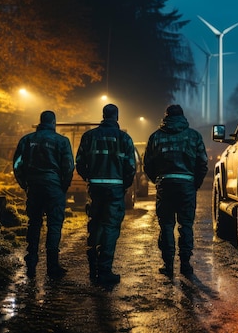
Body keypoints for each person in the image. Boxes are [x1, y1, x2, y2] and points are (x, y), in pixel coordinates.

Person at [144, 104, 208, 277]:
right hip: (186, 185)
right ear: (182, 116)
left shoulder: (155, 137)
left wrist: (157, 180)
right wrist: (195, 183)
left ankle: (168, 264)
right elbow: (202, 163)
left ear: (166, 117)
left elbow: (147, 164)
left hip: (165, 185)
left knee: (166, 225)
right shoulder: (194, 136)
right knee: (186, 224)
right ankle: (186, 264)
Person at [76, 104, 136, 285]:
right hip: (115, 188)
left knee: (94, 224)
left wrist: (90, 177)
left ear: (103, 115)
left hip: (95, 188)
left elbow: (79, 162)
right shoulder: (124, 138)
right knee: (110, 227)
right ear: (117, 117)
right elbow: (131, 167)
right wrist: (123, 185)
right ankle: (104, 270)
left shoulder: (89, 136)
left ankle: (92, 266)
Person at [13, 110, 74, 279]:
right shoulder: (62, 141)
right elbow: (69, 166)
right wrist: (63, 186)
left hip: (34, 186)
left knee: (34, 223)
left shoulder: (27, 140)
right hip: (54, 187)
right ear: (54, 122)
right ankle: (52, 266)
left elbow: (17, 164)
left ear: (40, 122)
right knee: (54, 225)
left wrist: (24, 183)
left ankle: (31, 262)